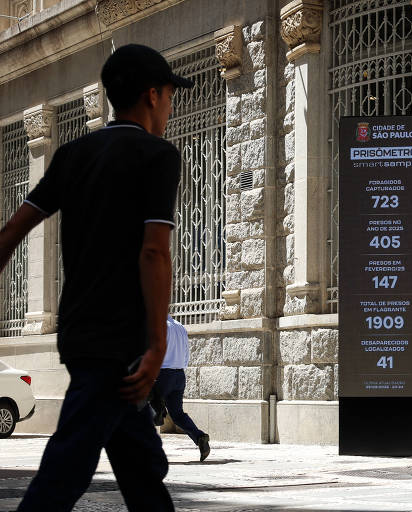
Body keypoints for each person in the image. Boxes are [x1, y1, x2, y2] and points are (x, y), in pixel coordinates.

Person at [2, 44, 192, 511]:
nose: (170, 104)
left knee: (142, 466)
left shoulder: (73, 154)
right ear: (152, 94)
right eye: (169, 94)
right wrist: (156, 346)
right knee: (66, 470)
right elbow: (154, 252)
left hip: (79, 333)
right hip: (119, 343)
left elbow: (10, 233)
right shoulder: (157, 156)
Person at [152, 315, 210, 462]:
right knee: (177, 415)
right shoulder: (179, 326)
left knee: (146, 407)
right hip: (179, 375)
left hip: (163, 374)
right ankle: (200, 437)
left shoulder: (160, 325)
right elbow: (186, 353)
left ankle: (147, 448)